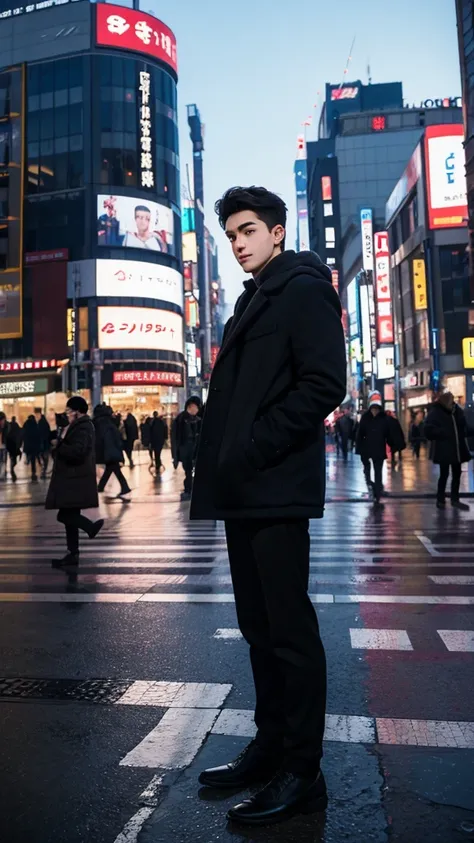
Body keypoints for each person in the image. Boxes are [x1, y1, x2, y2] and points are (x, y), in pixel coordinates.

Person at [191, 186, 346, 826]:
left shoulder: (303, 289)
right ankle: (269, 747)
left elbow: (323, 383)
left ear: (278, 231)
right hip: (244, 490)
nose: (238, 244)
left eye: (248, 230)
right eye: (231, 236)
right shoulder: (252, 301)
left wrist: (252, 447)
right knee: (259, 629)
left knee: (288, 632)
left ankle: (301, 770)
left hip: (274, 483)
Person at [46, 396, 104, 567]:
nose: (68, 414)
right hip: (71, 478)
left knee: (65, 515)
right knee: (70, 516)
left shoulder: (84, 427)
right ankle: (73, 554)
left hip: (75, 478)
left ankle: (90, 528)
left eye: (70, 411)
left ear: (78, 412)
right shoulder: (75, 426)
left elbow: (78, 451)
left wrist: (59, 445)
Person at [425, 391, 471, 510]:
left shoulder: (457, 411)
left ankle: (454, 499)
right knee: (444, 474)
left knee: (457, 474)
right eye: (450, 400)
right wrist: (442, 433)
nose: (452, 402)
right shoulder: (436, 413)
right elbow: (428, 430)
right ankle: (440, 500)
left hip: (457, 449)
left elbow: (464, 428)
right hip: (444, 449)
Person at [356, 391, 392, 507]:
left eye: (377, 408)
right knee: (368, 471)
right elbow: (360, 434)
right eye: (373, 408)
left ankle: (377, 494)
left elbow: (389, 433)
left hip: (379, 449)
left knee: (378, 472)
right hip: (368, 449)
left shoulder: (383, 418)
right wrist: (360, 449)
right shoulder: (366, 418)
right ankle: (372, 487)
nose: (375, 410)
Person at [93, 405, 131, 498]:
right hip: (111, 450)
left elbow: (104, 438)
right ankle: (101, 487)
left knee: (113, 468)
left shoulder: (101, 423)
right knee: (111, 468)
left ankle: (124, 487)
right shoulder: (109, 422)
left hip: (109, 450)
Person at [171, 397, 202, 501]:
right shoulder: (180, 420)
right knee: (188, 471)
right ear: (191, 406)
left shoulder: (198, 420)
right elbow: (175, 439)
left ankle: (192, 490)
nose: (197, 410)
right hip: (185, 451)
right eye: (197, 407)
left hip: (196, 450)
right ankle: (188, 490)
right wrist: (174, 457)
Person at [22, 414, 41, 481]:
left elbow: (23, 433)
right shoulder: (35, 424)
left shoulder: (26, 424)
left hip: (28, 444)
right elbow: (38, 435)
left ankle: (28, 459)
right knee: (33, 459)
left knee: (29, 455)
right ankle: (33, 472)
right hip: (34, 445)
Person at [150, 411, 168, 476]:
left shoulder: (152, 422)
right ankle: (158, 462)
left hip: (154, 440)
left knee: (156, 452)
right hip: (160, 440)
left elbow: (150, 432)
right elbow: (165, 429)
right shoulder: (161, 422)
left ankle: (158, 463)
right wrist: (165, 438)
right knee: (158, 452)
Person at [35, 408, 52, 479]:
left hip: (43, 444)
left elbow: (39, 433)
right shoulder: (44, 422)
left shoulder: (41, 422)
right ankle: (44, 471)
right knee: (44, 458)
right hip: (45, 444)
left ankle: (44, 471)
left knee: (43, 458)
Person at [6, 415, 22, 481]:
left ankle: (12, 469)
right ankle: (12, 470)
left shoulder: (10, 425)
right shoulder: (15, 425)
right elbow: (19, 433)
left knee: (13, 457)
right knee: (14, 458)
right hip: (14, 444)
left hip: (11, 443)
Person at [0, 412, 8, 481]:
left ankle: (2, 475)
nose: (3, 422)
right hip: (2, 447)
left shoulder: (6, 427)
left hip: (3, 447)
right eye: (2, 420)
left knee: (3, 461)